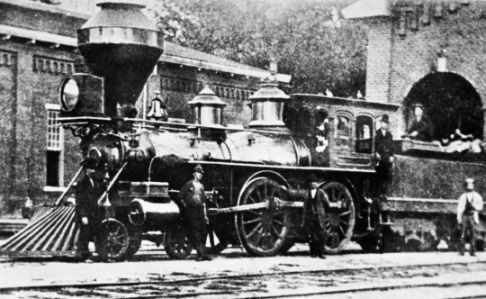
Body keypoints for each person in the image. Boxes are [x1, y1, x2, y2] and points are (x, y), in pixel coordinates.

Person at [179, 165, 212, 261]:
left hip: (200, 210)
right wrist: (186, 206)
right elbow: (180, 197)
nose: (200, 175)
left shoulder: (201, 187)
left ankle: (203, 253)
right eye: (198, 173)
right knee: (195, 232)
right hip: (191, 210)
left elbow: (204, 201)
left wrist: (205, 215)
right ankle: (200, 254)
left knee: (203, 232)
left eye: (201, 173)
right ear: (194, 174)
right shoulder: (188, 184)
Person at [74, 167, 105, 261]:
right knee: (84, 235)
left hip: (94, 213)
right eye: (91, 169)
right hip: (86, 214)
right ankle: (83, 256)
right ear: (87, 170)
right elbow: (79, 201)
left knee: (94, 234)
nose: (93, 170)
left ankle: (98, 255)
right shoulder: (82, 182)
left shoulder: (94, 180)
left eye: (94, 169)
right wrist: (83, 215)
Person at [301, 176, 330, 258]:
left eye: (315, 182)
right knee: (312, 235)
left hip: (319, 216)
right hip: (311, 216)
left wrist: (323, 212)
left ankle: (321, 253)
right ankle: (313, 253)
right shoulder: (307, 193)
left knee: (321, 235)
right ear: (310, 184)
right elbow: (305, 206)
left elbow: (327, 203)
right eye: (312, 182)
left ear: (317, 184)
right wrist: (304, 218)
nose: (313, 184)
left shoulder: (321, 192)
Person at [457, 178, 483, 256]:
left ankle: (473, 251)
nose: (470, 185)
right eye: (468, 184)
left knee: (473, 234)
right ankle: (462, 251)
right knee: (463, 234)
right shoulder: (463, 196)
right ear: (466, 186)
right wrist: (459, 218)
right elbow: (460, 208)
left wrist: (475, 207)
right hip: (465, 216)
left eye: (471, 184)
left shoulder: (477, 196)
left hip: (472, 216)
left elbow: (480, 206)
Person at [374, 114, 394, 197]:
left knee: (387, 175)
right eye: (383, 122)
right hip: (379, 157)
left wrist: (391, 156)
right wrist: (376, 153)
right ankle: (377, 193)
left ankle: (384, 193)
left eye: (386, 123)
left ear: (387, 125)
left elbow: (392, 146)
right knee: (379, 176)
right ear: (381, 123)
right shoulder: (377, 133)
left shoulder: (389, 135)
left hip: (387, 158)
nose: (384, 124)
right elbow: (374, 144)